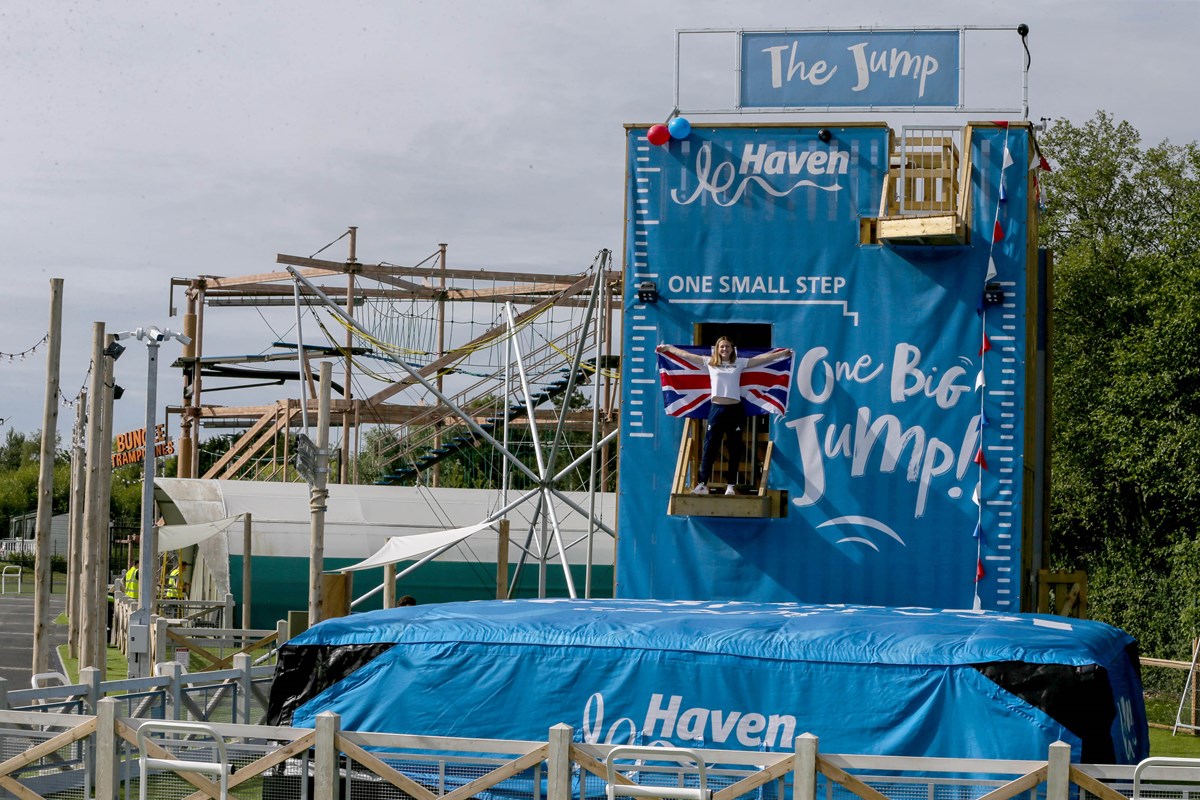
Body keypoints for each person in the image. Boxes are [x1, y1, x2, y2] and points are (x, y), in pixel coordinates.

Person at [657, 336, 786, 496]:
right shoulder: (710, 363)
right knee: (710, 447)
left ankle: (730, 486)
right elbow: (687, 356)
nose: (724, 349)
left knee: (735, 448)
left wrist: (781, 354)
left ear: (732, 349)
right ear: (717, 349)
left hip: (735, 410)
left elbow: (760, 359)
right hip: (717, 409)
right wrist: (668, 348)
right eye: (721, 347)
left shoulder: (739, 363)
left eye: (727, 347)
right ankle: (703, 484)